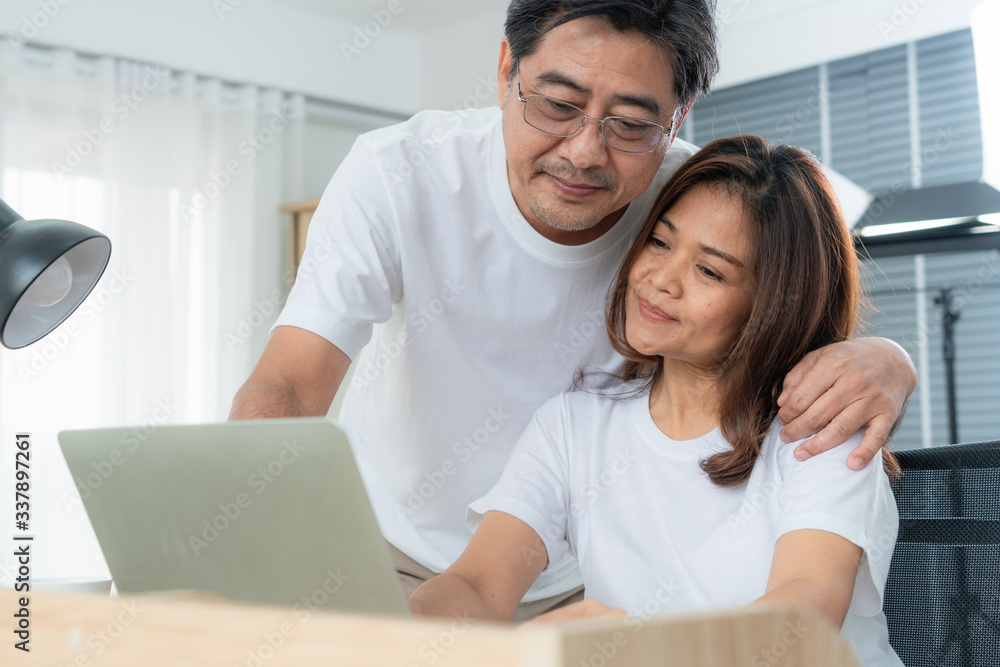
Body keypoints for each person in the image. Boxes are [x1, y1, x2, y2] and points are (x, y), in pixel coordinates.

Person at [229, 0, 917, 619]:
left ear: (675, 119)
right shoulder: (400, 173)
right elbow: (288, 382)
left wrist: (887, 358)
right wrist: (256, 548)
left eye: (631, 122)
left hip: (583, 579)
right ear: (506, 71)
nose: (585, 152)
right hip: (407, 546)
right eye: (557, 105)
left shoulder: (696, 190)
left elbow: (803, 274)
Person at [408, 135, 905, 667]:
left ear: (772, 304)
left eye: (709, 271)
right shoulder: (573, 426)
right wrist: (407, 628)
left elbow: (798, 623)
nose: (660, 280)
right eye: (660, 243)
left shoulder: (822, 428)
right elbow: (478, 583)